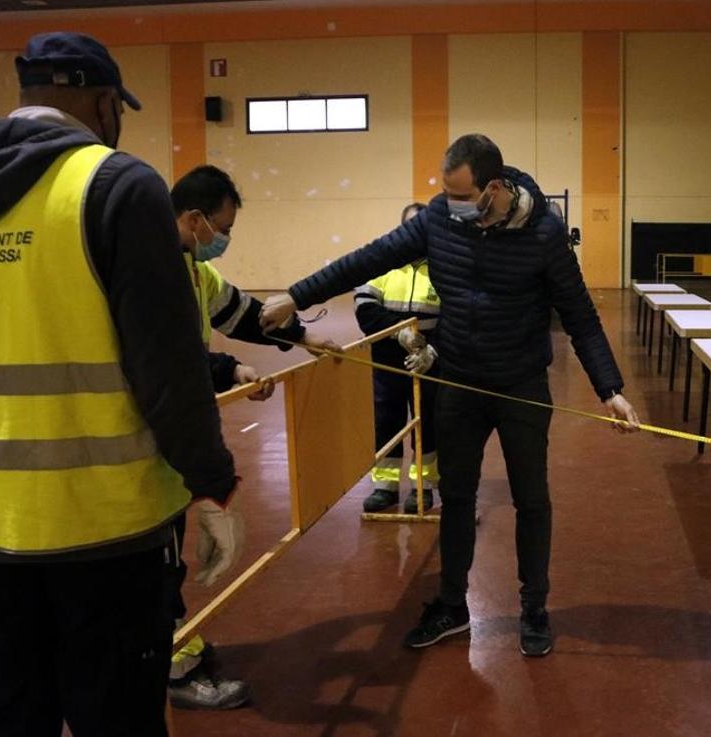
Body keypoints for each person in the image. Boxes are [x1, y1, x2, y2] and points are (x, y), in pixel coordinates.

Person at [0, 33, 244, 736]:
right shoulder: (117, 185)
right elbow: (168, 368)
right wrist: (210, 484)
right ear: (101, 101)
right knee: (116, 717)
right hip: (109, 526)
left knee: (13, 715)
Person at [261, 133, 639, 658]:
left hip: (520, 385)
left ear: (495, 188)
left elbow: (580, 316)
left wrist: (610, 388)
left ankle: (534, 608)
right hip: (459, 380)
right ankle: (451, 605)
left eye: (462, 196)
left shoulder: (543, 235)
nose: (451, 205)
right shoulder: (438, 218)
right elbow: (368, 259)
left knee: (532, 499)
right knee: (456, 497)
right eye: (446, 193)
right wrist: (296, 295)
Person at [165, 164, 338, 710]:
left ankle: (169, 648)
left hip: (174, 431)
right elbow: (167, 356)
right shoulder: (149, 267)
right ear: (194, 219)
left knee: (162, 553)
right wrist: (224, 370)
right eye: (222, 228)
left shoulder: (195, 268)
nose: (224, 240)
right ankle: (175, 668)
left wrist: (304, 335)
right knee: (155, 560)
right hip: (153, 435)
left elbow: (244, 315)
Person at [355, 202, 441, 515]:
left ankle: (423, 485)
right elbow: (364, 307)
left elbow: (457, 318)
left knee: (428, 422)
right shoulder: (384, 266)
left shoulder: (444, 268)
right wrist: (398, 332)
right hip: (387, 360)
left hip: (429, 361)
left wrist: (433, 350)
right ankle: (385, 486)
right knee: (386, 420)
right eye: (409, 228)